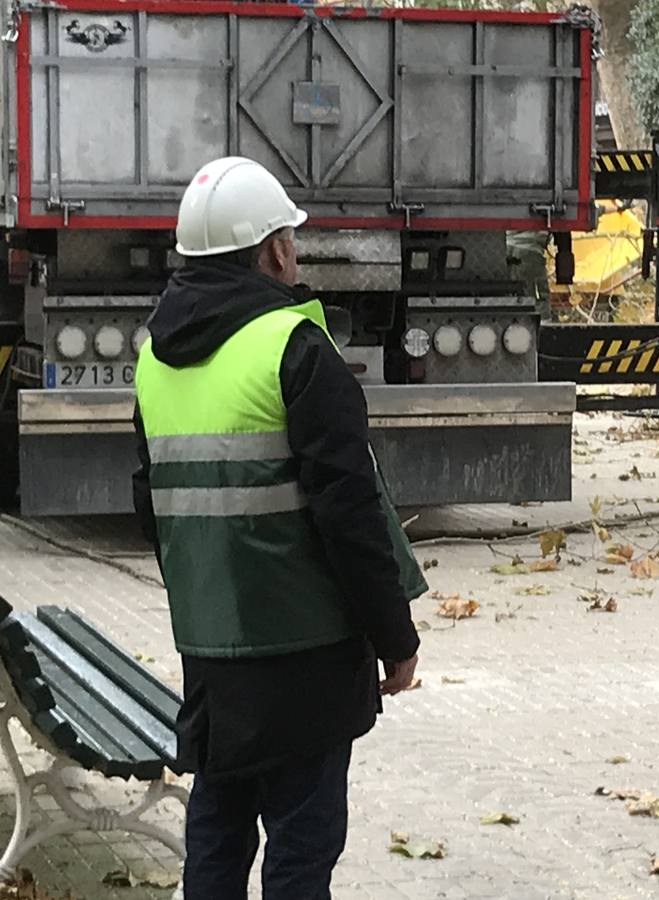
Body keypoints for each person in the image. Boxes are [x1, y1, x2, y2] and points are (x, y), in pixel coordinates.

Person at [132, 156, 427, 899]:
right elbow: (350, 514)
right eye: (289, 240)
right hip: (306, 659)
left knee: (218, 829)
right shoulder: (295, 349)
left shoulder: (153, 363)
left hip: (212, 654)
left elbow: (153, 511)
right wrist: (395, 639)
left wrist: (209, 607)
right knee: (301, 850)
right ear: (274, 251)